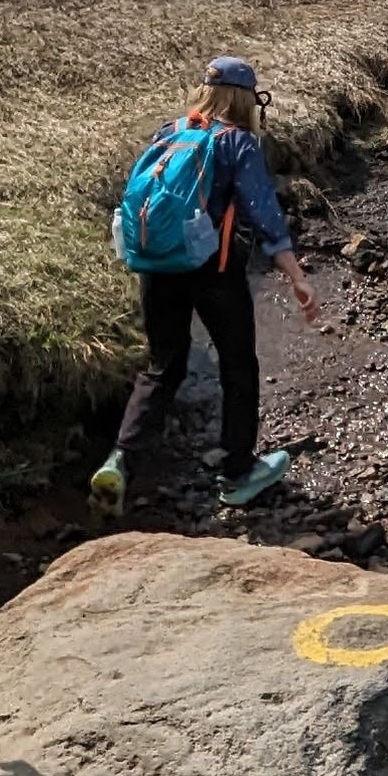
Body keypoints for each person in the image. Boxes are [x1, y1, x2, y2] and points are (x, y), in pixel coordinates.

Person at [92, 56, 327, 519]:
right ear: (246, 99)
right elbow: (265, 217)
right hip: (212, 271)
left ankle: (119, 460)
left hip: (158, 266)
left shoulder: (170, 131)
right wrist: (297, 277)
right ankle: (238, 474)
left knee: (164, 366)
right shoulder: (238, 143)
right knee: (238, 364)